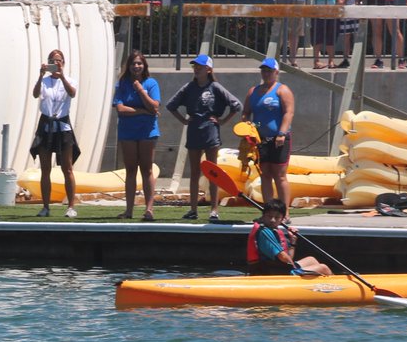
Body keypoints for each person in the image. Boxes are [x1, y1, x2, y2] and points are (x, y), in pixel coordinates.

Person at [165, 54, 242, 221]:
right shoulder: (189, 88)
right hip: (194, 131)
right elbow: (171, 105)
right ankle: (193, 209)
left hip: (210, 131)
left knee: (213, 172)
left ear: (208, 69)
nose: (196, 68)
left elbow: (236, 105)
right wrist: (184, 120)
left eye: (200, 66)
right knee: (194, 172)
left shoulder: (215, 87)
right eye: (195, 66)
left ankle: (214, 209)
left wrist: (222, 121)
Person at [242, 57, 296, 212]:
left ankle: (284, 212)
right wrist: (247, 129)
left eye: (269, 71)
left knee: (279, 175)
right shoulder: (253, 91)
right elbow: (246, 113)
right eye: (263, 70)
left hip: (278, 138)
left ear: (276, 72)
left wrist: (281, 133)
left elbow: (288, 113)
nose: (266, 73)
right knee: (265, 174)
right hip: (260, 139)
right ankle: (269, 211)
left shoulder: (282, 90)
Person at [30, 49, 79, 217]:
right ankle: (45, 207)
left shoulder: (70, 80)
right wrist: (40, 75)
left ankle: (71, 207)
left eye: (59, 60)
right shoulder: (44, 81)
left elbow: (72, 93)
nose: (56, 63)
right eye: (52, 60)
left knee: (68, 168)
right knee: (45, 169)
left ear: (63, 63)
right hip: (46, 125)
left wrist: (62, 76)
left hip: (63, 126)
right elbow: (35, 94)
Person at [112, 50, 160, 221]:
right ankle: (129, 210)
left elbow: (154, 107)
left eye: (139, 63)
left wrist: (140, 90)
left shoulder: (151, 83)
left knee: (147, 169)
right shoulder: (122, 83)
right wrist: (142, 111)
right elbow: (120, 109)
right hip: (128, 132)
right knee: (131, 170)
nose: (136, 66)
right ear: (129, 66)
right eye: (133, 63)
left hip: (147, 131)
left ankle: (149, 209)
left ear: (144, 65)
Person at [247, 199, 332, 275]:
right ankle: (336, 288)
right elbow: (284, 257)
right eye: (269, 216)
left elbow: (289, 258)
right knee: (323, 268)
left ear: (282, 219)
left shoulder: (273, 230)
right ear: (263, 216)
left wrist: (293, 242)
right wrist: (296, 269)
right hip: (270, 271)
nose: (272, 220)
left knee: (311, 259)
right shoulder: (265, 232)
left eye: (277, 217)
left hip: (279, 268)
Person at [308, 0, 351, 69]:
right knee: (317, 38)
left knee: (331, 38)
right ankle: (316, 62)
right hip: (318, 12)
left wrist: (343, 1)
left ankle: (331, 61)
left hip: (333, 13)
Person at [336, 0, 362, 67]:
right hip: (344, 10)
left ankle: (357, 58)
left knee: (356, 35)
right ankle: (346, 58)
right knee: (346, 35)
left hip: (355, 10)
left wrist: (357, 3)